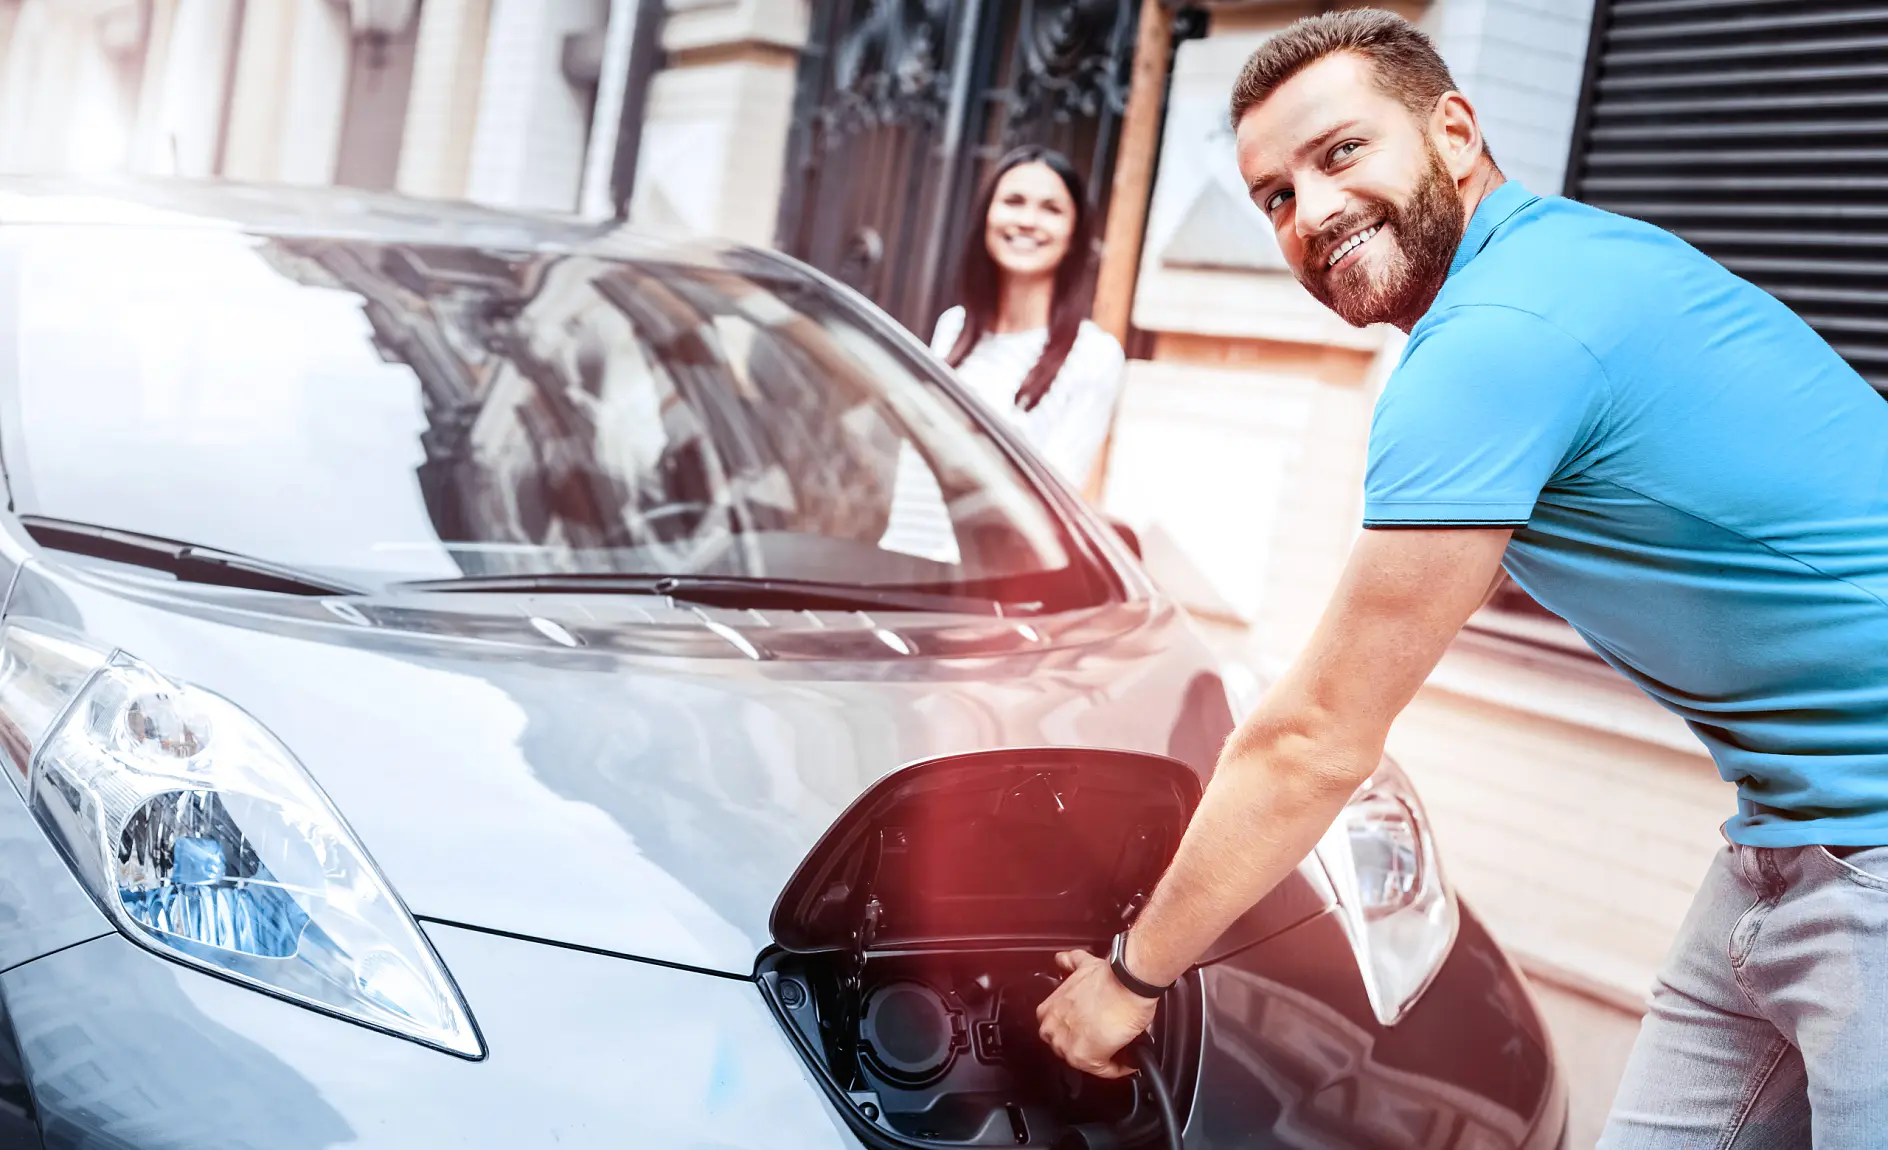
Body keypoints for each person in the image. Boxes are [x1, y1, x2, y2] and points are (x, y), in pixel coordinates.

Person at [1034, 10, 1888, 1147]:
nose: (1314, 211)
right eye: (1275, 196)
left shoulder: (1496, 335)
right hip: (1793, 832)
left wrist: (1129, 983)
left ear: (1452, 129)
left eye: (1341, 153)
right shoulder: (1566, 261)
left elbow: (1316, 738)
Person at [931, 145, 1126, 489]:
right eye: (1013, 202)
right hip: (900, 541)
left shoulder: (1094, 355)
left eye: (1051, 209)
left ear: (1073, 235)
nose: (1027, 221)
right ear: (987, 216)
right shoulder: (952, 327)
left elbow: (1053, 497)